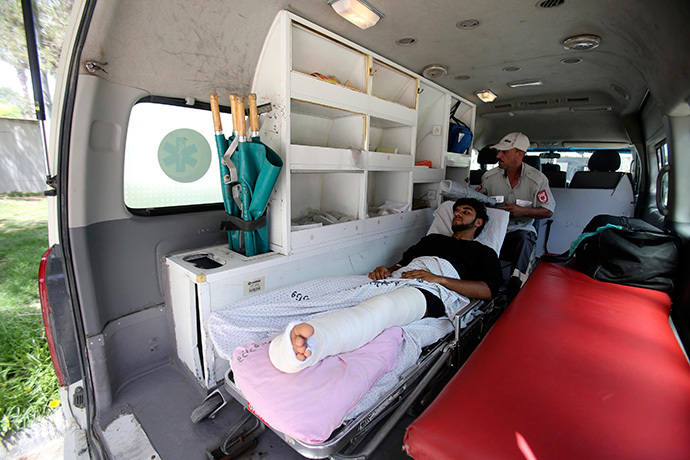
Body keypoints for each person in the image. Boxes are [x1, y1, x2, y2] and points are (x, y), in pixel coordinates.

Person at [269, 198, 503, 372]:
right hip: (400, 277)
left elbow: (488, 290)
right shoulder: (434, 240)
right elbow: (403, 263)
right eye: (456, 211)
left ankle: (310, 344)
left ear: (479, 222)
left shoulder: (483, 253)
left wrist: (438, 279)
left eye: (466, 211)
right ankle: (282, 334)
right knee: (332, 287)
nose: (458, 214)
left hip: (433, 289)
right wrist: (386, 270)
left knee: (383, 308)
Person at [478, 132, 555, 302]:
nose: (498, 155)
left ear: (519, 154)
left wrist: (523, 211)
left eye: (504, 152)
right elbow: (477, 201)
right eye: (499, 151)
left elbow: (548, 211)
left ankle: (517, 289)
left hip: (519, 230)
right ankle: (480, 287)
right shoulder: (489, 178)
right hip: (493, 229)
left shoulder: (537, 180)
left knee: (525, 240)